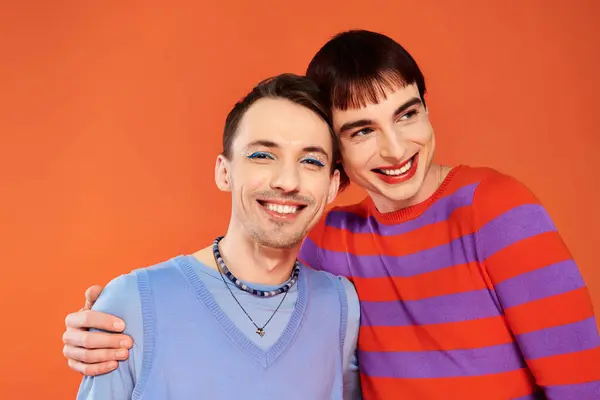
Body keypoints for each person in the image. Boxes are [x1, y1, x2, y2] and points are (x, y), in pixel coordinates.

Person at [64, 30, 600, 399]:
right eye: (363, 130)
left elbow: (582, 382)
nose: (395, 148)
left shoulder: (497, 210)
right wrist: (115, 312)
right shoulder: (332, 239)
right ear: (338, 164)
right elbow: (245, 272)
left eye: (407, 114)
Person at [71, 73, 362, 399]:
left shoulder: (341, 306)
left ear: (332, 185)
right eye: (262, 155)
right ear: (224, 173)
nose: (287, 181)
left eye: (310, 160)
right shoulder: (131, 304)